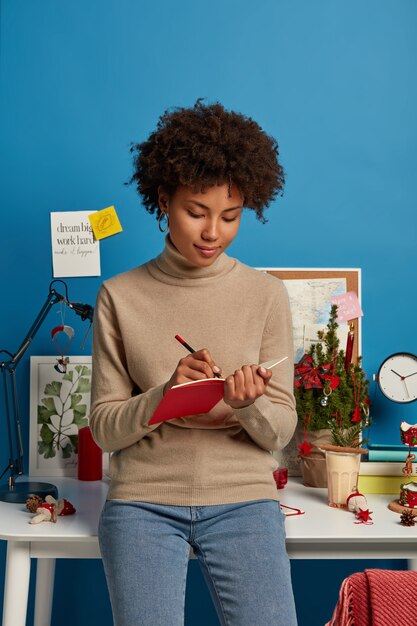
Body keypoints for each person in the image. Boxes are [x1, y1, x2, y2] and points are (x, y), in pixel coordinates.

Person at [90, 100, 298, 626]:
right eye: (196, 212)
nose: (213, 233)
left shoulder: (266, 295)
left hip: (244, 499)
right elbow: (103, 431)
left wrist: (247, 405)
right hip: (143, 502)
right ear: (163, 201)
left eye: (230, 217)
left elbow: (279, 432)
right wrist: (164, 396)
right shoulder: (119, 296)